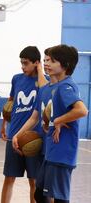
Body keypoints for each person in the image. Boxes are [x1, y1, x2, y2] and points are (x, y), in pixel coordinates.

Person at [32, 45, 88, 203]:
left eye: (53, 61)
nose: (47, 64)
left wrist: (57, 120)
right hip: (52, 151)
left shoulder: (65, 87)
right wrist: (49, 122)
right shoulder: (56, 86)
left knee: (59, 199)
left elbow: (82, 111)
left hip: (62, 153)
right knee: (40, 195)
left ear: (66, 65)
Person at [0, 46, 48, 203]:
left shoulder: (44, 81)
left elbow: (45, 90)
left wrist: (40, 70)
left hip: (33, 137)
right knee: (9, 178)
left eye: (26, 63)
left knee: (33, 181)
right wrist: (4, 124)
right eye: (21, 63)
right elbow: (10, 103)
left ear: (36, 63)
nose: (22, 66)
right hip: (14, 135)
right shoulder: (17, 79)